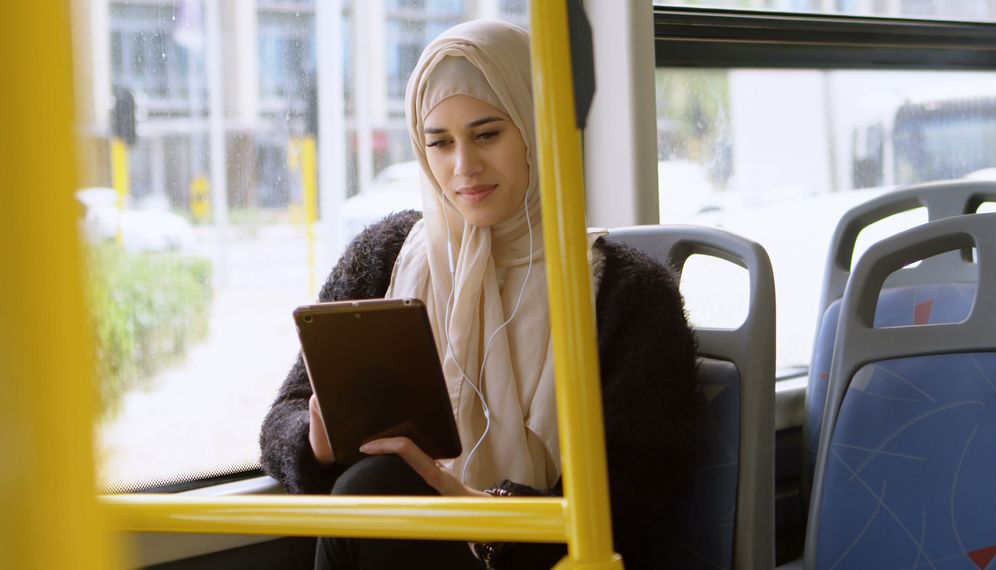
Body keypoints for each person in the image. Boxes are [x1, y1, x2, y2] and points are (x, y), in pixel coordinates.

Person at [259, 19, 702, 570]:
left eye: (487, 134)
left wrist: (476, 510)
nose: (463, 167)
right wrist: (316, 443)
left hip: (547, 559)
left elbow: (634, 498)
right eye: (440, 144)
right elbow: (282, 418)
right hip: (409, 536)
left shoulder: (629, 294)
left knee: (379, 488)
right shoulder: (385, 255)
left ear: (537, 132)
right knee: (376, 483)